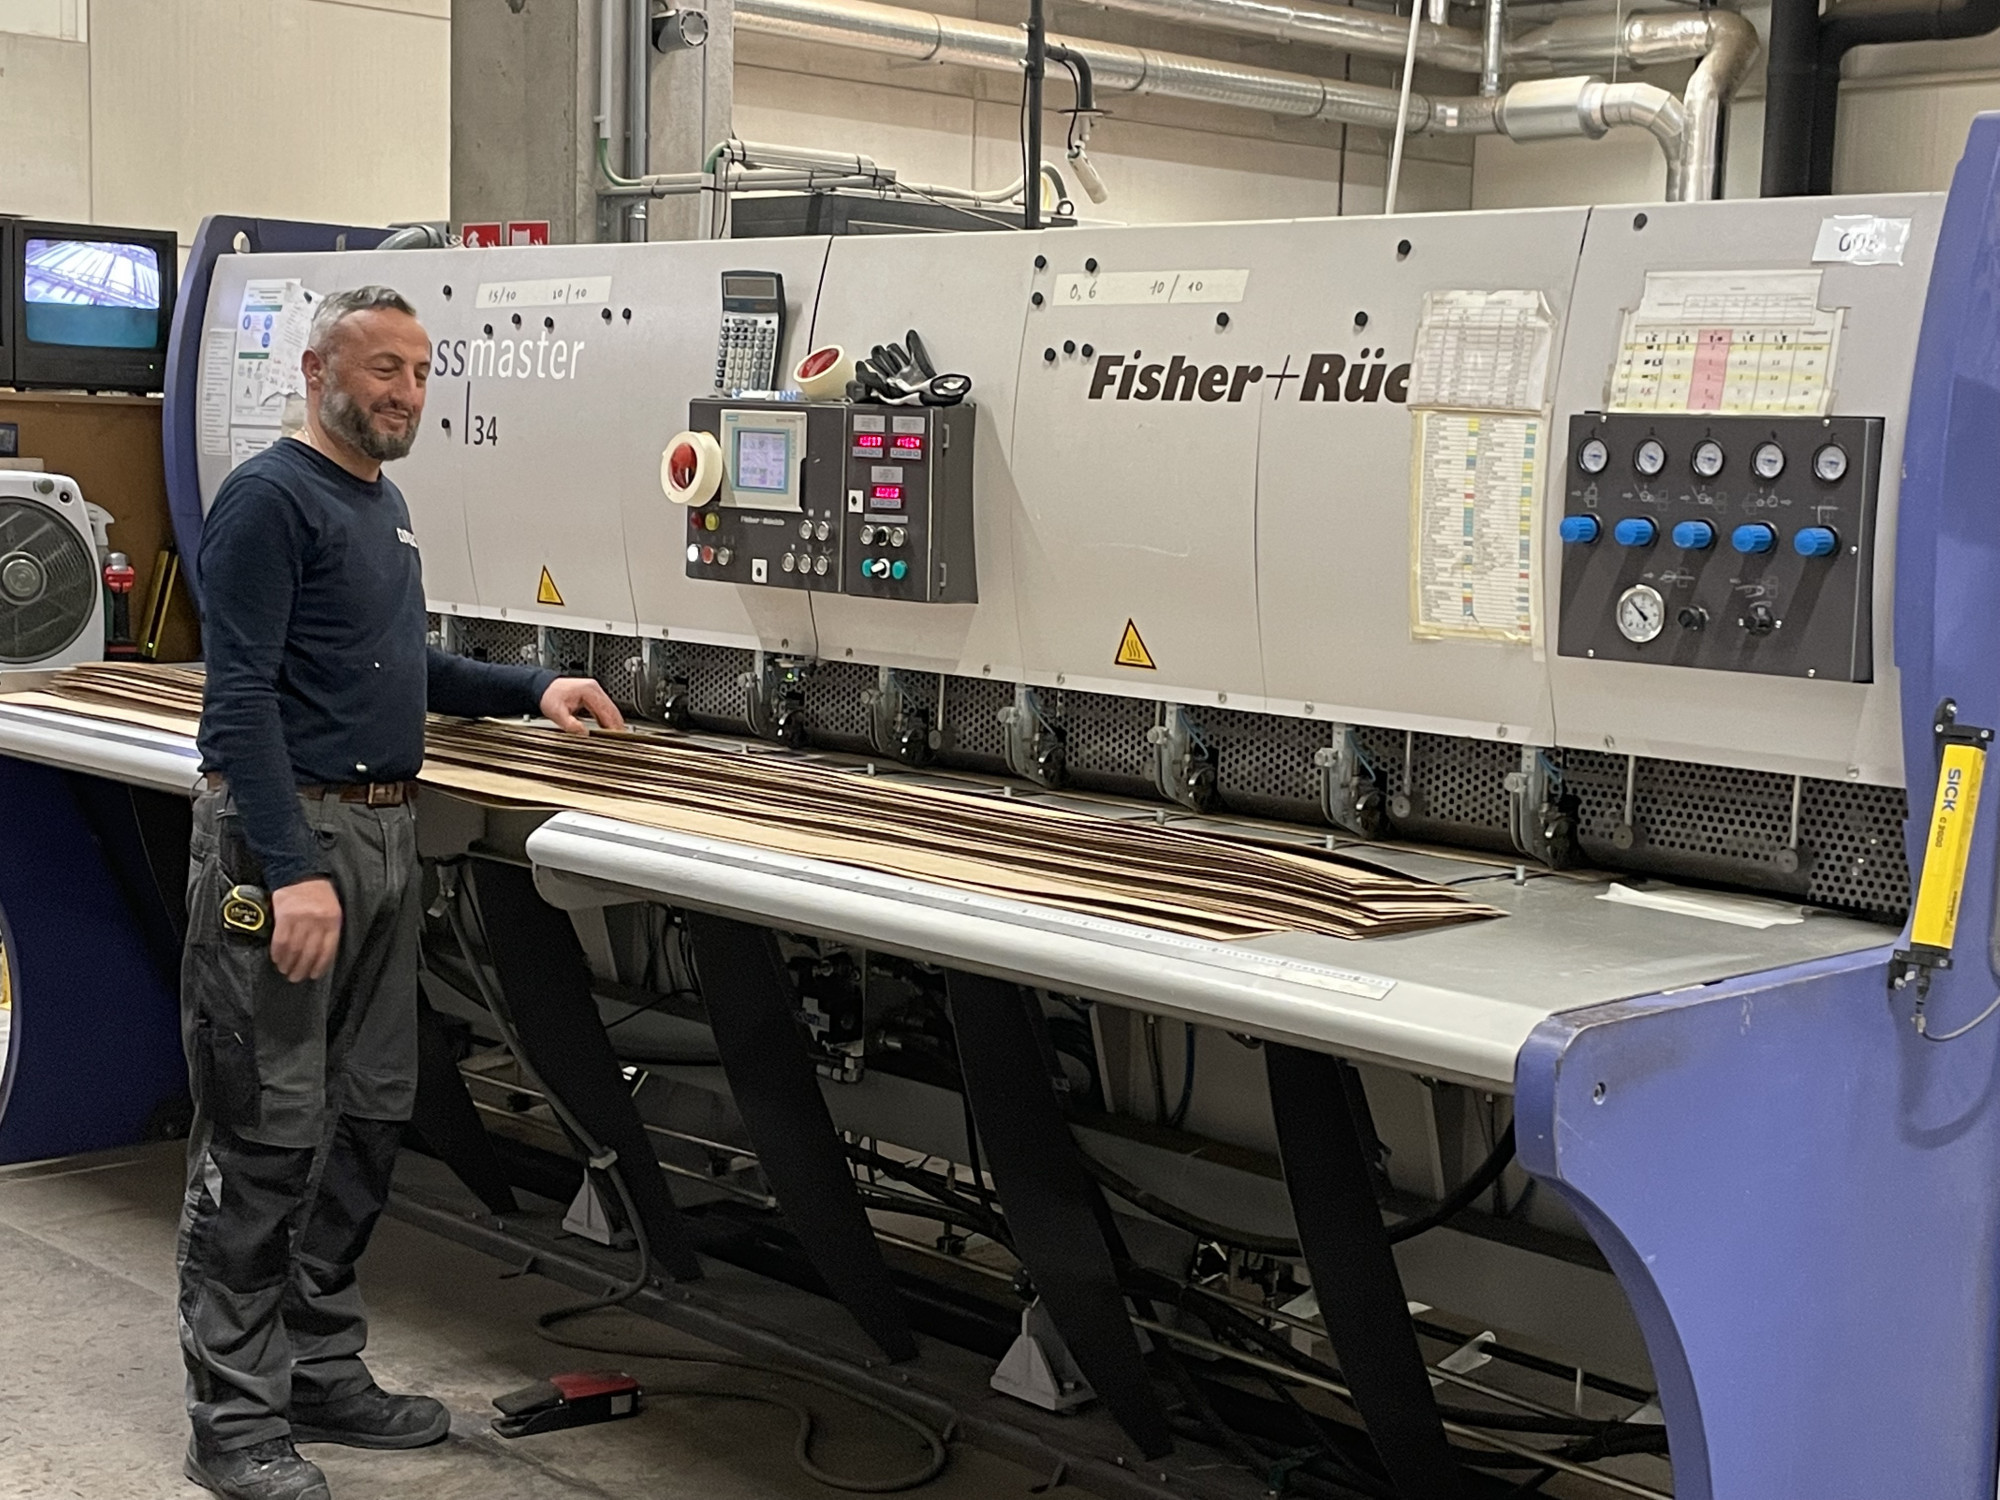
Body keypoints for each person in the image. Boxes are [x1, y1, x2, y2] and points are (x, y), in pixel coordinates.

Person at [178, 285, 624, 1500]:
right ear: (318, 370)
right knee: (264, 1134)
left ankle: (320, 1368)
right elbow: (239, 702)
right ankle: (234, 1418)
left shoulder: (379, 504)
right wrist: (291, 871)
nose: (407, 393)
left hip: (380, 836)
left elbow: (391, 664)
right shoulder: (269, 500)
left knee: (368, 1117)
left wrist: (529, 689)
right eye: (383, 368)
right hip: (288, 841)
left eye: (422, 373)